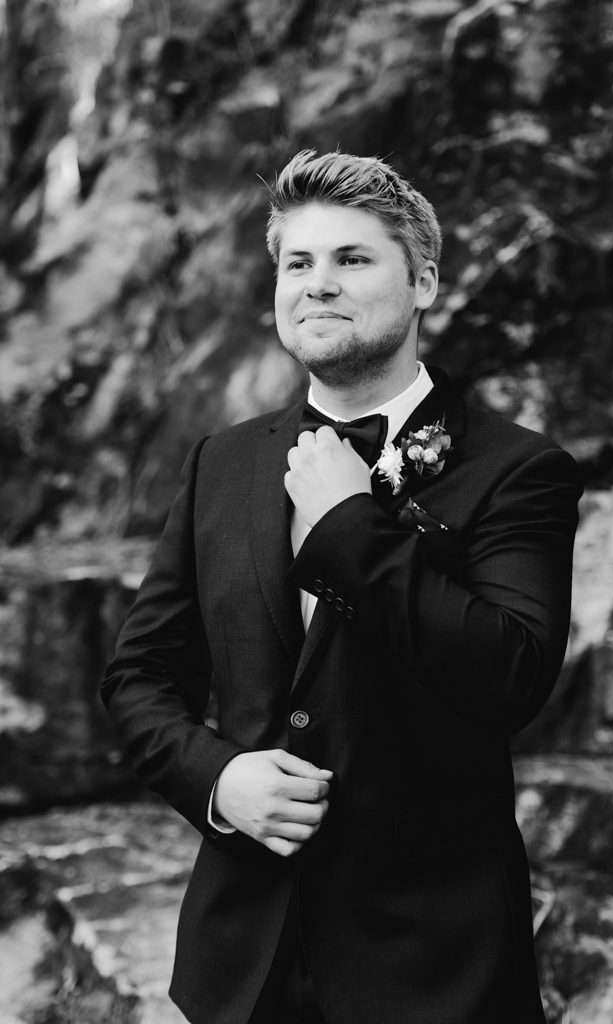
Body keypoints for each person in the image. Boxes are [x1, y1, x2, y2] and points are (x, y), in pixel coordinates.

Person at [102, 149, 582, 1024]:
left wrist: (349, 526)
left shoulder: (519, 470)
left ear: (424, 282)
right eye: (298, 263)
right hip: (239, 967)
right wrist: (218, 779)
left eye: (352, 259)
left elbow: (511, 677)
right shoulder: (220, 463)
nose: (318, 284)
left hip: (437, 972)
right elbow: (139, 678)